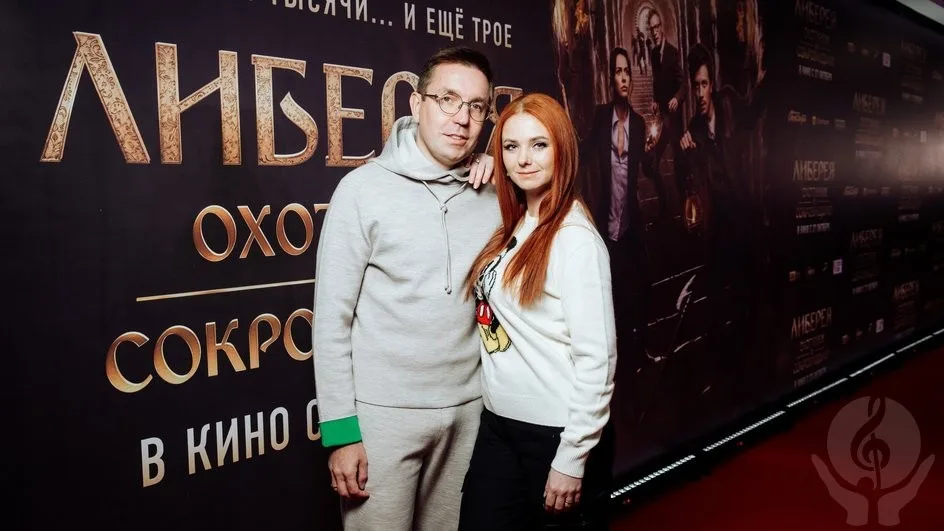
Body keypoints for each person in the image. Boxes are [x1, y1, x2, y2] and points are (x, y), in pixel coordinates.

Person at [312, 46, 499, 531]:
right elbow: (330, 322)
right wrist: (341, 433)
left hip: (469, 415)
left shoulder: (494, 195)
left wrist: (501, 168)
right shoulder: (361, 191)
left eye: (476, 106)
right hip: (383, 421)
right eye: (447, 99)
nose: (462, 118)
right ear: (416, 104)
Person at [457, 93, 617, 531]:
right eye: (511, 147)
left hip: (555, 434)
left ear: (562, 149)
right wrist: (485, 165)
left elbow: (598, 360)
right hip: (499, 425)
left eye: (539, 144)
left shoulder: (574, 239)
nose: (524, 159)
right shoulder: (518, 224)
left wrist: (572, 457)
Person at [678, 43, 767, 404]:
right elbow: (690, 187)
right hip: (718, 228)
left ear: (712, 84)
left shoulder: (729, 103)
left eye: (704, 85)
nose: (700, 93)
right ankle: (719, 377)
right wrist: (686, 156)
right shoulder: (693, 129)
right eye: (695, 87)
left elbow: (753, 110)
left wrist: (765, 80)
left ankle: (749, 371)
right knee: (716, 301)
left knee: (749, 295)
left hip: (744, 217)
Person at [580, 47, 661, 393]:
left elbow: (649, 169)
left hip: (630, 223)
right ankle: (614, 364)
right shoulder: (601, 117)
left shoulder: (639, 124)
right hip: (605, 223)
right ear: (610, 79)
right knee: (610, 295)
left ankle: (639, 351)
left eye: (627, 71)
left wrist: (656, 143)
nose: (624, 77)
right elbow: (584, 154)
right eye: (618, 72)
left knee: (643, 285)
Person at [647, 10, 687, 214]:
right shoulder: (654, 54)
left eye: (656, 27)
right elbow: (656, 81)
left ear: (661, 27)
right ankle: (663, 204)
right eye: (651, 28)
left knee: (680, 165)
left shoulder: (673, 52)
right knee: (652, 162)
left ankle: (685, 207)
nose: (654, 32)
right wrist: (655, 100)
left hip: (675, 121)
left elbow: (683, 84)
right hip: (662, 120)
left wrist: (676, 99)